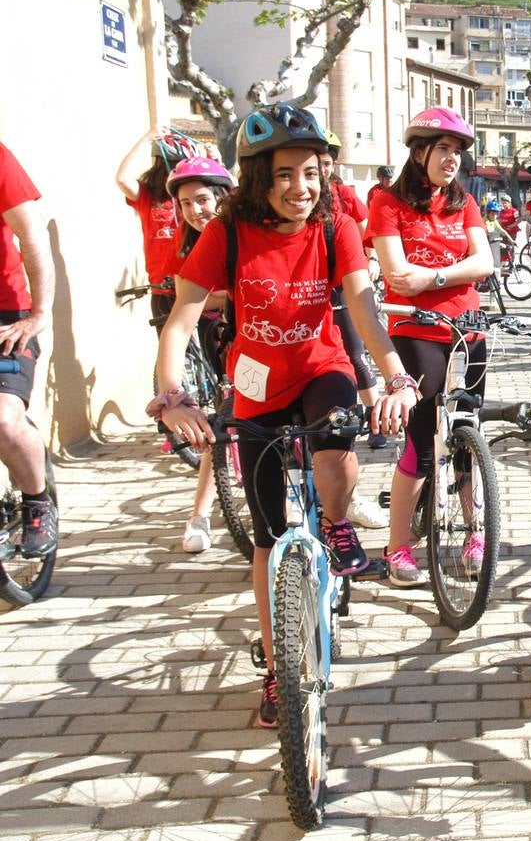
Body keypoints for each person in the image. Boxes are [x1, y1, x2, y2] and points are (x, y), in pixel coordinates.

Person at [151, 101, 417, 727]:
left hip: (321, 367)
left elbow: (362, 308)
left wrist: (393, 374)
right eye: (285, 175)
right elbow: (181, 318)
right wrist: (171, 395)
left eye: (312, 172)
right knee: (268, 539)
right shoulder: (228, 233)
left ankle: (334, 523)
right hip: (256, 384)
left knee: (338, 451)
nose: (302, 188)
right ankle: (276, 670)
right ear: (257, 179)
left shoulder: (333, 227)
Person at [369, 106, 494, 588]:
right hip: (415, 330)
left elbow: (483, 263)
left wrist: (435, 276)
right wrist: (422, 281)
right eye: (443, 149)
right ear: (419, 152)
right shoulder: (387, 202)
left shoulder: (464, 203)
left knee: (467, 433)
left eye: (458, 152)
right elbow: (398, 274)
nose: (452, 160)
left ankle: (474, 531)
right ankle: (397, 544)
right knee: (422, 440)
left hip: (468, 327)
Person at [164, 156, 236, 552]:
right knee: (223, 421)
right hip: (216, 330)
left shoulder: (245, 232)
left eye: (203, 200)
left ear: (224, 197)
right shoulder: (186, 244)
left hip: (255, 329)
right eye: (186, 203)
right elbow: (185, 299)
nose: (195, 211)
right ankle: (200, 515)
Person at [319, 130, 390, 474]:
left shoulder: (342, 194)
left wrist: (371, 262)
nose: (320, 169)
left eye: (326, 162)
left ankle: (376, 419)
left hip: (346, 280)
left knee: (356, 352)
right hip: (313, 286)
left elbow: (365, 230)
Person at [0, 142, 57, 559]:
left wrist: (40, 312)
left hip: (6, 315)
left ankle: (37, 503)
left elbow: (31, 231)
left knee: (3, 419)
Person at [115, 127, 197, 318]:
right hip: (163, 288)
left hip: (196, 284)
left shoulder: (194, 196)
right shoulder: (147, 196)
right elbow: (122, 179)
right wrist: (146, 138)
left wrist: (215, 162)